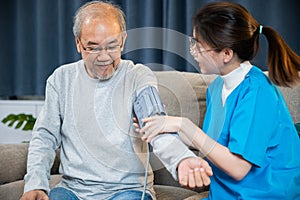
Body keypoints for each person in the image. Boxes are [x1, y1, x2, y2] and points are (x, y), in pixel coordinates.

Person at [20, 1, 212, 200]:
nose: (104, 57)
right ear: (78, 43)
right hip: (73, 189)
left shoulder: (139, 77)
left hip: (128, 190)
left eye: (112, 46)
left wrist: (181, 159)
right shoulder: (61, 79)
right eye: (93, 48)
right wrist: (35, 184)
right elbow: (45, 137)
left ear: (123, 40)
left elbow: (156, 124)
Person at [138, 2, 300, 199]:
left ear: (226, 54)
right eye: (193, 43)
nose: (194, 52)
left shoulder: (257, 92)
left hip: (264, 194)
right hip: (224, 193)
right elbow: (210, 144)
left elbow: (239, 168)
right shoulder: (216, 88)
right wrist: (162, 126)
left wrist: (184, 125)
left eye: (199, 46)